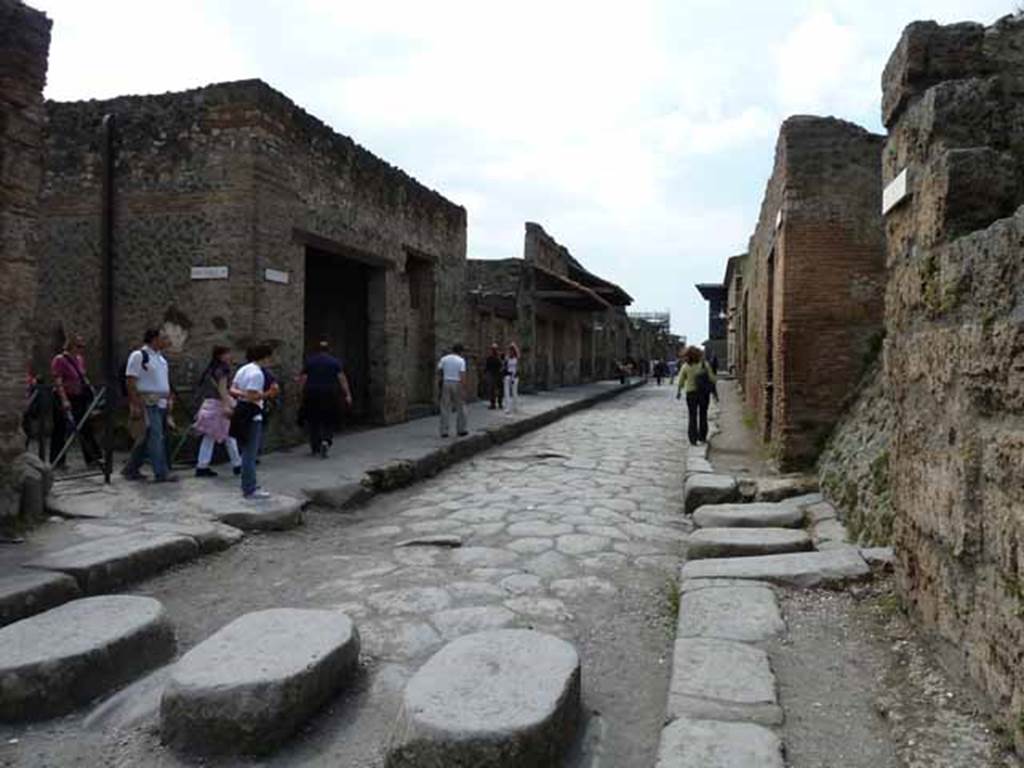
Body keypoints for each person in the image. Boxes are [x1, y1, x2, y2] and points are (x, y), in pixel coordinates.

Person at [123, 329, 176, 482]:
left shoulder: (160, 359)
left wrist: (169, 400)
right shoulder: (139, 356)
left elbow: (164, 382)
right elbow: (131, 381)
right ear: (154, 339)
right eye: (163, 338)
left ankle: (131, 468)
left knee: (148, 437)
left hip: (161, 402)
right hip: (148, 402)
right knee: (156, 437)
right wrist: (135, 404)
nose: (166, 341)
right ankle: (161, 472)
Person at [49, 334, 101, 469]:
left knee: (85, 427)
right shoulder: (59, 360)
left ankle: (94, 459)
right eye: (78, 346)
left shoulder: (79, 359)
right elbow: (58, 380)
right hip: (64, 396)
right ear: (71, 345)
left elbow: (82, 376)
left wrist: (92, 391)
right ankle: (57, 461)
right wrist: (64, 399)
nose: (81, 349)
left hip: (79, 397)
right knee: (60, 428)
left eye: (82, 346)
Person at [231, 344, 273, 499]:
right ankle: (249, 487)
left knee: (245, 451)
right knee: (250, 453)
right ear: (265, 357)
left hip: (240, 410)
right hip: (251, 413)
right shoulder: (257, 374)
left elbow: (233, 390)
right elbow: (252, 396)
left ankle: (248, 484)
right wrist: (268, 393)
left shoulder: (243, 369)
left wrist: (242, 394)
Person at [192, 345, 241, 478]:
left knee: (210, 436)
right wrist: (227, 405)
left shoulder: (210, 369)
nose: (230, 356)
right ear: (221, 355)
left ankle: (202, 465)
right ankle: (237, 464)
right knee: (230, 435)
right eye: (227, 354)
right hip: (219, 404)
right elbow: (222, 389)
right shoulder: (223, 370)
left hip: (209, 404)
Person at [298, 340, 352, 458]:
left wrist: (301, 394)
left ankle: (315, 447)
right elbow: (341, 379)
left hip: (312, 394)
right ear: (328, 350)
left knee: (313, 420)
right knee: (329, 419)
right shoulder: (335, 362)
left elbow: (303, 379)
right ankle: (326, 440)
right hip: (330, 394)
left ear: (316, 350)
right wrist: (347, 394)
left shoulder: (310, 362)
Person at [676, 346, 717, 446]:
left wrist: (679, 391)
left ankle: (693, 439)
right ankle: (702, 437)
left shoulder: (685, 366)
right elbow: (712, 379)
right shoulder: (704, 365)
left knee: (692, 416)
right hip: (703, 393)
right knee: (703, 415)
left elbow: (680, 381)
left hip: (691, 394)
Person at [437, 343, 468, 437]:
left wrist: (441, 380)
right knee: (461, 407)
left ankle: (444, 430)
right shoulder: (461, 361)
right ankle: (461, 429)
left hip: (446, 382)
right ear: (460, 351)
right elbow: (462, 375)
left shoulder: (444, 359)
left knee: (445, 407)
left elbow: (439, 370)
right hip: (457, 383)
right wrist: (464, 388)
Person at [484, 344, 504, 410]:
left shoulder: (499, 357)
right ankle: (494, 404)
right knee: (493, 390)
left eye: (495, 349)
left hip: (497, 375)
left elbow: (502, 365)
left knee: (498, 390)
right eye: (493, 349)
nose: (494, 351)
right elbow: (487, 367)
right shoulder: (491, 358)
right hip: (494, 375)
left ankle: (498, 403)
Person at [503, 342, 520, 414]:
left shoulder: (517, 358)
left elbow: (518, 368)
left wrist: (514, 375)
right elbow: (505, 367)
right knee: (507, 393)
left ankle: (515, 407)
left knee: (514, 392)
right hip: (508, 376)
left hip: (514, 376)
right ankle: (508, 408)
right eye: (510, 350)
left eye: (512, 350)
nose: (511, 351)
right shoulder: (507, 358)